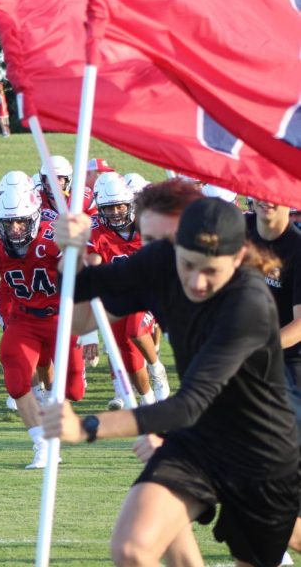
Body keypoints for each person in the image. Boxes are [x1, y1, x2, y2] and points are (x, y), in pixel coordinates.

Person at [46, 197, 299, 567]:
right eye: (188, 264)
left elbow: (188, 404)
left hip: (259, 449)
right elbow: (82, 302)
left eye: (210, 271)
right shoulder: (163, 260)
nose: (196, 281)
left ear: (237, 259)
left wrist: (87, 427)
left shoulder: (249, 305)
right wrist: (69, 251)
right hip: (199, 440)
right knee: (132, 549)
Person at [0, 178, 85, 469]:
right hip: (24, 318)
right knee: (16, 376)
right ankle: (42, 445)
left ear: (34, 217)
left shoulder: (53, 239)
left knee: (74, 390)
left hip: (61, 317)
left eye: (21, 223)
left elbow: (82, 280)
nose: (14, 230)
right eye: (8, 223)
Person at [246, 197, 301, 556]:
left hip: (290, 363)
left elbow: (300, 326)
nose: (266, 199)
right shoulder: (238, 232)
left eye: (274, 192)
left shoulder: (297, 249)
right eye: (259, 191)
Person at [88, 173, 169, 409]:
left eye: (119, 206)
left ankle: (156, 368)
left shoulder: (149, 225)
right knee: (128, 357)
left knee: (135, 330)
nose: (114, 212)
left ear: (130, 204)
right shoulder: (96, 233)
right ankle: (147, 401)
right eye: (109, 207)